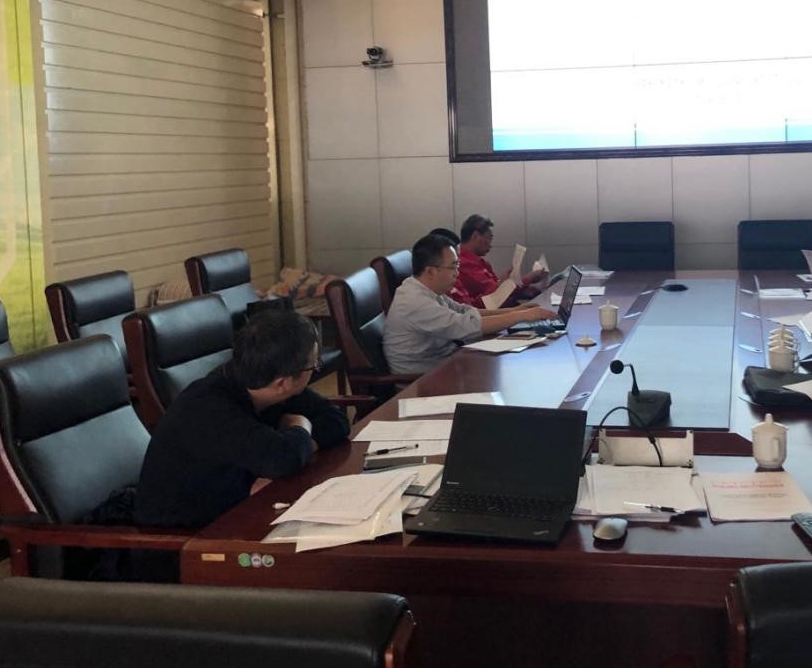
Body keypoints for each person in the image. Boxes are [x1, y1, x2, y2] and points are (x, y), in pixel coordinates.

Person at [134, 311, 350, 530]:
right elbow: (282, 459)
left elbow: (337, 421)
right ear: (282, 383)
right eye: (314, 365)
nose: (315, 369)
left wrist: (300, 444)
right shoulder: (209, 407)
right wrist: (301, 425)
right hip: (180, 534)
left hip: (234, 509)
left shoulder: (268, 381)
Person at [384, 233, 557, 375]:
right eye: (453, 267)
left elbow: (464, 311)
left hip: (444, 366)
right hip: (420, 382)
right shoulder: (415, 302)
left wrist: (515, 310)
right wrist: (521, 316)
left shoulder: (425, 288)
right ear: (430, 271)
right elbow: (467, 325)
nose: (457, 273)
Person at [452, 214, 548, 309]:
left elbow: (501, 293)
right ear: (475, 236)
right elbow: (495, 297)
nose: (490, 245)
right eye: (489, 238)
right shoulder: (463, 263)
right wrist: (528, 279)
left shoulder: (481, 262)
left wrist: (527, 288)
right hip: (495, 314)